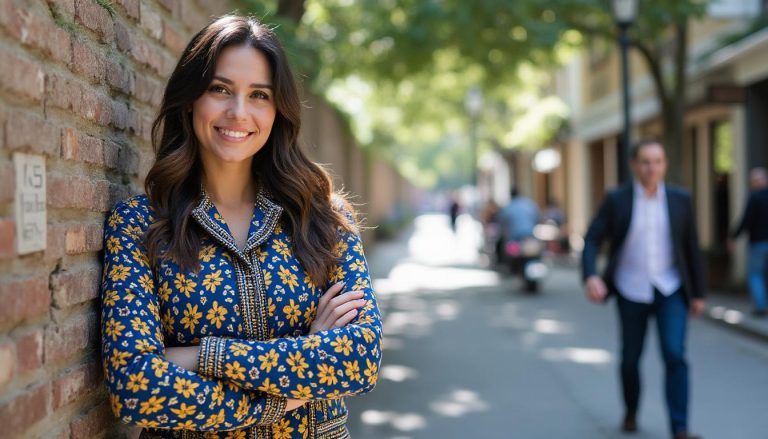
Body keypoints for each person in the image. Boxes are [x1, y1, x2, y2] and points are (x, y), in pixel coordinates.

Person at [100, 15, 382, 438]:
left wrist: (198, 357)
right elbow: (136, 387)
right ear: (191, 98)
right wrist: (297, 380)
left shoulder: (323, 218)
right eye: (220, 89)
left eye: (259, 95)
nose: (238, 112)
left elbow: (360, 359)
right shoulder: (140, 225)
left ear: (277, 110)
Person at [581, 139, 705, 439]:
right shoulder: (617, 199)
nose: (652, 168)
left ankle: (680, 427)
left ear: (664, 164)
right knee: (630, 358)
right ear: (634, 165)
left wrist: (699, 293)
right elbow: (592, 238)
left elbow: (691, 248)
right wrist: (591, 276)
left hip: (670, 288)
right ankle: (631, 411)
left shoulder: (680, 200)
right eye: (646, 162)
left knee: (675, 355)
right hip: (630, 288)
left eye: (658, 161)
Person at [730, 167, 768, 316]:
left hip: (758, 243)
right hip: (758, 242)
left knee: (755, 274)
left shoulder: (754, 198)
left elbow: (746, 220)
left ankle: (760, 307)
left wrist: (733, 237)